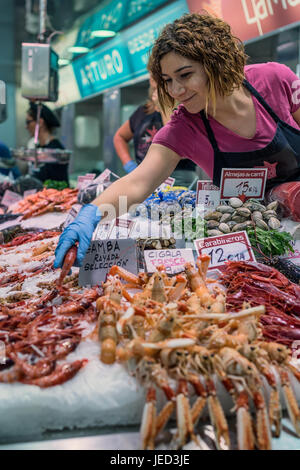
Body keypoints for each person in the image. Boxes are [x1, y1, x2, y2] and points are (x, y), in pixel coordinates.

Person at [54, 13, 300, 269]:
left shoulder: (275, 80)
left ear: (217, 63)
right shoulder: (185, 126)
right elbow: (139, 182)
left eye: (185, 75)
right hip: (256, 244)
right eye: (168, 80)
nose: (175, 90)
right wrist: (91, 214)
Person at [113, 81, 197, 186]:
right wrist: (129, 164)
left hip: (178, 179)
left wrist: (165, 106)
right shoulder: (142, 111)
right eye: (152, 76)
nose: (153, 81)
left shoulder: (185, 109)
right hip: (145, 176)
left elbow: (179, 146)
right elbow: (120, 136)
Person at [26, 102, 68, 183]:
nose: (26, 126)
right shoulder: (38, 148)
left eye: (28, 122)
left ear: (40, 122)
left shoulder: (55, 150)